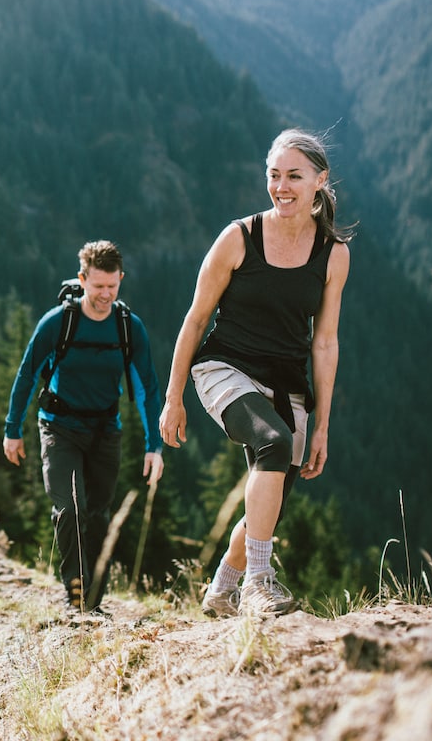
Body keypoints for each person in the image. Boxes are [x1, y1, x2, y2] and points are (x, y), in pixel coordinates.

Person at [158, 128, 352, 617]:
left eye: (293, 176)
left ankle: (223, 586)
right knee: (273, 443)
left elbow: (325, 342)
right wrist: (173, 395)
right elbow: (196, 318)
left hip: (288, 383)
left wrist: (323, 424)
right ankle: (258, 584)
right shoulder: (239, 238)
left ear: (319, 181)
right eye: (273, 175)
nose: (281, 187)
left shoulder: (333, 254)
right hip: (225, 366)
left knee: (270, 502)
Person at [4, 240, 164, 615]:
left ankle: (93, 604)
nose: (106, 295)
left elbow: (147, 388)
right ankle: (76, 598)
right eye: (98, 287)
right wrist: (13, 429)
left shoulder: (128, 328)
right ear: (82, 279)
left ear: (120, 279)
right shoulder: (59, 322)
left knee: (99, 515)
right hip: (59, 428)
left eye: (113, 286)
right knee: (70, 508)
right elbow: (27, 375)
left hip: (105, 430)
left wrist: (154, 446)